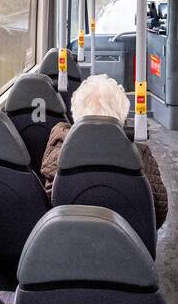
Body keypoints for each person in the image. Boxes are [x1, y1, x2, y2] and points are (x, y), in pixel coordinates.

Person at [39, 73, 168, 228]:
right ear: (122, 116)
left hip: (69, 244)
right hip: (128, 247)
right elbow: (158, 212)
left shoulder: (59, 152)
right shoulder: (140, 155)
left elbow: (49, 203)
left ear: (75, 113)